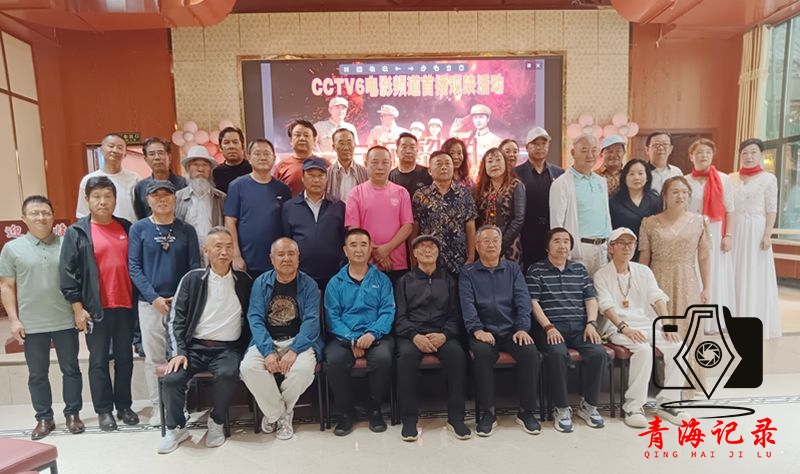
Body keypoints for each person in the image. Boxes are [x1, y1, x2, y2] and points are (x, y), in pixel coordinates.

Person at [158, 227, 253, 454]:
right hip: (194, 347)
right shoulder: (192, 279)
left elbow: (253, 318)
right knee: (172, 379)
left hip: (228, 348)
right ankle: (177, 428)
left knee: (228, 374)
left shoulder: (244, 281)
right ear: (206, 251)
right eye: (218, 247)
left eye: (228, 247)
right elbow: (175, 319)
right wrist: (178, 352)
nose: (224, 252)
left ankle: (217, 421)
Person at [0, 195, 84, 439]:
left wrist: (79, 311)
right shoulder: (12, 249)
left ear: (53, 216)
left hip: (65, 319)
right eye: (34, 213)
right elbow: (6, 286)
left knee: (71, 369)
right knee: (37, 374)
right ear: (24, 218)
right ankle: (44, 418)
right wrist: (14, 319)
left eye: (46, 212)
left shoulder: (67, 243)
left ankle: (72, 414)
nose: (41, 217)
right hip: (32, 323)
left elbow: (79, 280)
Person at [60, 176, 139, 431]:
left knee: (125, 358)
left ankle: (124, 406)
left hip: (125, 305)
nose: (102, 202)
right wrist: (77, 309)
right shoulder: (77, 232)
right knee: (99, 360)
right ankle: (104, 410)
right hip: (96, 309)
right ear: (87, 200)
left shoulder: (127, 228)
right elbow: (68, 273)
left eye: (107, 196)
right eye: (96, 197)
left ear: (115, 200)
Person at [593, 227, 690, 427]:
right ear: (611, 248)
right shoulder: (602, 274)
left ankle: (668, 403)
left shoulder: (643, 271)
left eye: (631, 243)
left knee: (680, 348)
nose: (627, 247)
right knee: (643, 350)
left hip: (647, 324)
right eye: (621, 243)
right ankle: (633, 406)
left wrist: (666, 324)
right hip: (618, 327)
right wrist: (624, 327)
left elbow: (657, 297)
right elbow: (606, 306)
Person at [128, 180, 201, 426]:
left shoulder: (187, 230)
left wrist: (181, 298)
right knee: (154, 358)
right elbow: (134, 268)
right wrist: (154, 298)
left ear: (175, 199)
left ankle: (179, 406)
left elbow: (194, 268)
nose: (162, 199)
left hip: (180, 305)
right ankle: (158, 407)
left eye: (167, 195)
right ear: (148, 200)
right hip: (150, 304)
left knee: (180, 355)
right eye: (156, 195)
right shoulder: (139, 229)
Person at [460, 225, 541, 437]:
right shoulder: (468, 273)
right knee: (482, 353)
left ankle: (526, 411)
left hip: (511, 330)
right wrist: (477, 329)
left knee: (530, 352)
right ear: (477, 246)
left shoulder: (513, 269)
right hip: (483, 331)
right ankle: (488, 413)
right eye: (486, 241)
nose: (491, 245)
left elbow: (523, 301)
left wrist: (522, 328)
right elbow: (467, 305)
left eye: (495, 240)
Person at [240, 237, 324, 440]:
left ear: (298, 257)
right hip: (267, 341)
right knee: (248, 368)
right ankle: (280, 415)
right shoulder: (261, 283)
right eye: (281, 254)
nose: (286, 258)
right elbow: (255, 319)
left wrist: (294, 350)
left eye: (291, 254)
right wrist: (268, 352)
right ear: (272, 258)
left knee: (303, 371)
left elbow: (312, 322)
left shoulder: (309, 284)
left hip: (299, 341)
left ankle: (273, 414)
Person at [527, 227, 608, 433]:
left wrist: (591, 323)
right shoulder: (536, 270)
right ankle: (561, 407)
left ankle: (589, 405)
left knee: (598, 353)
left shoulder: (579, 270)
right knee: (557, 354)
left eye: (566, 241)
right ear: (547, 246)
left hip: (580, 327)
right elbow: (533, 302)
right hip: (550, 328)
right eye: (557, 241)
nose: (562, 245)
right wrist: (548, 327)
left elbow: (590, 299)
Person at [639, 176, 711, 399]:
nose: (680, 196)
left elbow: (704, 257)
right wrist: (641, 288)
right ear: (665, 196)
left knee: (689, 329)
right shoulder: (649, 223)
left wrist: (707, 288)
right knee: (661, 329)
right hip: (658, 280)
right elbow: (644, 259)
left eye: (684, 192)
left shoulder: (700, 222)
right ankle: (661, 382)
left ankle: (689, 384)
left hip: (688, 281)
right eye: (675, 192)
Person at [394, 234, 469, 441]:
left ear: (438, 252)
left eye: (432, 247)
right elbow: (400, 317)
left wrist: (445, 334)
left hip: (442, 333)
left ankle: (456, 418)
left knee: (457, 356)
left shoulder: (449, 281)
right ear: (414, 253)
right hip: (412, 335)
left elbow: (455, 316)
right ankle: (409, 420)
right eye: (422, 247)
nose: (427, 250)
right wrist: (415, 336)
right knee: (405, 358)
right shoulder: (404, 281)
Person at [324, 228, 395, 436]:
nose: (359, 249)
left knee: (383, 358)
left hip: (376, 335)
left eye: (364, 245)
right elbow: (332, 317)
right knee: (334, 360)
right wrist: (352, 339)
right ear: (345, 250)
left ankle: (375, 409)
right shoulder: (335, 283)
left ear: (370, 249)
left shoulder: (382, 280)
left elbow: (387, 311)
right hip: (344, 336)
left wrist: (372, 334)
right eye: (353, 245)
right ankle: (345, 413)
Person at [729, 138, 781, 339]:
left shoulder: (769, 179)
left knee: (754, 272)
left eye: (753, 152)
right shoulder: (731, 178)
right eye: (745, 153)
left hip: (756, 230)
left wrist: (767, 234)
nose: (749, 156)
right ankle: (731, 318)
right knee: (734, 270)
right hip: (735, 229)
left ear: (761, 155)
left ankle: (753, 317)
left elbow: (772, 209)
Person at [685, 138, 736, 333]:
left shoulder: (723, 179)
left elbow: (730, 210)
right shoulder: (685, 180)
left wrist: (728, 235)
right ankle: (695, 320)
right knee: (695, 273)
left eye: (707, 152)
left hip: (715, 231)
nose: (703, 156)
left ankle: (715, 321)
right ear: (691, 156)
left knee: (715, 274)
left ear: (713, 155)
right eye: (699, 152)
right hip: (692, 231)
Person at [224, 138, 292, 278]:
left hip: (277, 263)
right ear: (249, 157)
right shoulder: (237, 186)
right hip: (246, 262)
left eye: (266, 154)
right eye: (257, 153)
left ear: (274, 158)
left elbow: (288, 224)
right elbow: (230, 222)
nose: (262, 157)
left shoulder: (283, 189)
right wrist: (236, 255)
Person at [345, 146, 413, 283]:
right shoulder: (355, 193)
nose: (380, 167)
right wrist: (376, 252)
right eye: (374, 162)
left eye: (385, 162)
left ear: (391, 164)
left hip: (396, 263)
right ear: (366, 164)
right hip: (366, 263)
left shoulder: (401, 192)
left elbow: (408, 226)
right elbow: (354, 229)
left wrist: (386, 249)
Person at [550, 134, 612, 276]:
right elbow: (556, 223)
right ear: (573, 153)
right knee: (577, 289)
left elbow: (605, 215)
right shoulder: (561, 183)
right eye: (584, 150)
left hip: (602, 249)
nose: (590, 155)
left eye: (594, 150)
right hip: (579, 250)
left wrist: (610, 244)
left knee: (601, 289)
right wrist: (563, 251)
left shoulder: (601, 181)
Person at [282, 158, 346, 289]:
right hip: (300, 275)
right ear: (302, 178)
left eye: (320, 176)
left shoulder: (338, 206)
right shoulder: (289, 207)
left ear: (326, 179)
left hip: (333, 275)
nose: (316, 180)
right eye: (311, 175)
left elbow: (343, 239)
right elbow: (286, 240)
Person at [411, 150, 476, 275]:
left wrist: (471, 257)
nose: (444, 167)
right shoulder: (420, 195)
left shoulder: (465, 194)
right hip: (428, 260)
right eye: (439, 164)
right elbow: (414, 228)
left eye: (448, 163)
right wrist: (413, 258)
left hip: (458, 259)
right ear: (430, 171)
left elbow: (470, 227)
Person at [516, 127, 564, 270]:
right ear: (527, 147)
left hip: (551, 232)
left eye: (544, 143)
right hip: (526, 234)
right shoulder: (516, 173)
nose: (540, 147)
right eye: (535, 144)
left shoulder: (559, 173)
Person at [473, 147, 525, 262]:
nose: (494, 164)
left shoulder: (516, 185)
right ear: (484, 166)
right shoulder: (479, 188)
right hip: (484, 244)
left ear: (505, 163)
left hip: (509, 244)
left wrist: (501, 244)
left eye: (498, 160)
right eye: (490, 161)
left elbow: (519, 219)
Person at [175, 145, 227, 262]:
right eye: (196, 165)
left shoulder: (221, 198)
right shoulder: (177, 198)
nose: (200, 169)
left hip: (215, 254)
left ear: (210, 170)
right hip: (186, 254)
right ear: (188, 168)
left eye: (205, 165)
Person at [76, 133, 139, 222]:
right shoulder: (88, 180)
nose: (115, 150)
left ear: (125, 154)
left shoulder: (134, 178)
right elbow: (82, 213)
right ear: (101, 150)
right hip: (99, 229)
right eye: (111, 146)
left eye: (120, 148)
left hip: (130, 228)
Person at [609, 159, 661, 261]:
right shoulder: (614, 202)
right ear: (624, 178)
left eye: (640, 173)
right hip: (624, 252)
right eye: (631, 174)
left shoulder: (656, 201)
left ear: (647, 177)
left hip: (651, 253)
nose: (636, 177)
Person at [134, 137, 188, 219]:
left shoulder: (183, 183)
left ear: (169, 157)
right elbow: (141, 217)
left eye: (160, 153)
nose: (157, 158)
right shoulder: (140, 187)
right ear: (146, 159)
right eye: (152, 154)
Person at [274, 119, 320, 196]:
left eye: (306, 135)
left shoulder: (325, 164)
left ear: (314, 140)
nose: (302, 138)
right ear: (291, 140)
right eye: (297, 135)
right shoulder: (281, 167)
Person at [326, 128, 368, 203]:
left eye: (349, 143)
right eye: (341, 143)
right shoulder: (327, 174)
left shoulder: (365, 173)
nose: (346, 148)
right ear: (334, 147)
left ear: (354, 145)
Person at [389, 132, 432, 199]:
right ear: (396, 152)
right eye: (404, 147)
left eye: (412, 147)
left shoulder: (428, 174)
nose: (408, 151)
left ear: (417, 151)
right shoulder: (390, 177)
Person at [212, 127, 252, 194]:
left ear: (242, 146)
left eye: (235, 142)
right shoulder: (216, 173)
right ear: (221, 148)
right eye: (226, 143)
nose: (231, 146)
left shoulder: (252, 170)